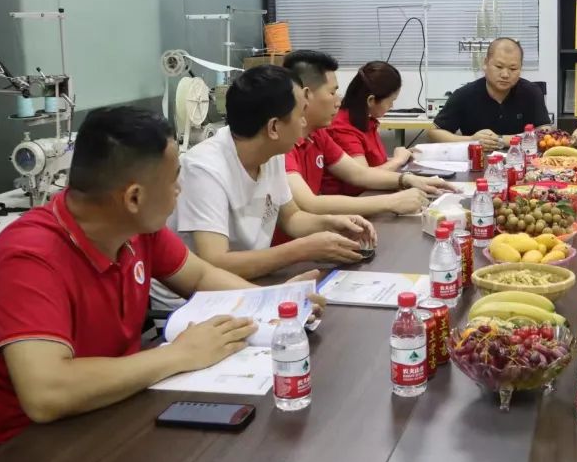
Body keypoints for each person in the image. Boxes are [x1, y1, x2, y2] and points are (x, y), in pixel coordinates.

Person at [0, 107, 322, 455]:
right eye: (174, 179)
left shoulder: (135, 229)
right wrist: (180, 354)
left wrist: (275, 301)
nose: (179, 189)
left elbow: (199, 275)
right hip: (14, 450)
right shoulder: (31, 257)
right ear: (134, 197)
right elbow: (46, 394)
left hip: (109, 407)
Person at [166, 64, 376, 287]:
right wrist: (303, 249)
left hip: (253, 281)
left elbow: (292, 217)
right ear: (273, 127)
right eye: (300, 115)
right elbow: (215, 263)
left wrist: (332, 224)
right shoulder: (204, 169)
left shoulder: (272, 153)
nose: (304, 122)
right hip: (198, 297)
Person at [282, 51, 452, 223]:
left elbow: (359, 174)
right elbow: (310, 204)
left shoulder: (318, 134)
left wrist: (408, 179)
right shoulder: (282, 144)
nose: (338, 102)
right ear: (305, 95)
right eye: (332, 93)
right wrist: (392, 201)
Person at [428, 38, 550, 149]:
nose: (505, 75)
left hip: (522, 160)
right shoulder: (464, 95)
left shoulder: (531, 92)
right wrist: (471, 140)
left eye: (513, 69)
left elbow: (545, 131)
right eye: (499, 66)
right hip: (477, 161)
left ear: (520, 68)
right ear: (485, 63)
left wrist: (502, 140)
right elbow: (434, 132)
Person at [323, 61, 412, 196]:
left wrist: (402, 158)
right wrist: (398, 160)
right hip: (351, 200)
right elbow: (363, 178)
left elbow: (373, 165)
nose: (392, 106)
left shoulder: (366, 121)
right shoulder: (342, 128)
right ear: (371, 100)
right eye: (391, 101)